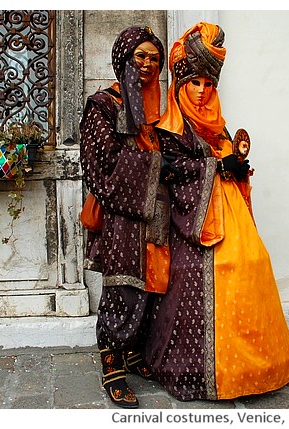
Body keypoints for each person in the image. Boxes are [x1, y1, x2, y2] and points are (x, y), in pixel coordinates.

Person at [144, 22, 289, 401]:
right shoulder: (168, 130)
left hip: (232, 217)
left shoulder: (221, 126)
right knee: (196, 273)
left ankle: (258, 366)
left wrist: (237, 165)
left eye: (207, 84)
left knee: (253, 261)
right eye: (194, 83)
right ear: (181, 86)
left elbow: (231, 162)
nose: (201, 91)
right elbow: (170, 170)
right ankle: (197, 371)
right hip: (192, 226)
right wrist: (215, 167)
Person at [79, 26, 177, 408]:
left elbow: (178, 149)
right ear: (124, 58)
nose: (148, 64)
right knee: (123, 290)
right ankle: (112, 368)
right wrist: (156, 164)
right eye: (140, 56)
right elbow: (100, 164)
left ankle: (135, 355)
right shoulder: (103, 104)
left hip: (157, 215)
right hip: (123, 216)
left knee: (154, 287)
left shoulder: (162, 109)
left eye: (154, 58)